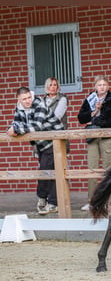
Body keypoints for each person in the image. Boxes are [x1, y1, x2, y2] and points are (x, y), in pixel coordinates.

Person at [6, 87, 64, 215]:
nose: (27, 101)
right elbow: (15, 123)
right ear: (18, 100)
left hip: (54, 141)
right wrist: (13, 129)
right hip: (41, 144)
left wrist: (16, 130)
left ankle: (52, 202)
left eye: (29, 97)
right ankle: (44, 198)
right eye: (24, 99)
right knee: (45, 171)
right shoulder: (19, 108)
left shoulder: (39, 104)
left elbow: (36, 126)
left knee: (49, 171)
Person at [77, 75, 111, 211]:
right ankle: (92, 201)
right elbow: (81, 118)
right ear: (95, 86)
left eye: (104, 85)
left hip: (107, 136)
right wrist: (94, 111)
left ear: (108, 86)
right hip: (92, 136)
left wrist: (93, 121)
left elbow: (109, 120)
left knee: (107, 169)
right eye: (99, 85)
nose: (102, 87)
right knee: (92, 168)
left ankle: (106, 202)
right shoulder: (90, 99)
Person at [42, 77, 69, 154]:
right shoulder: (42, 100)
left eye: (55, 85)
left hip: (58, 135)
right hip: (44, 139)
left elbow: (56, 118)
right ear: (47, 87)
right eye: (50, 85)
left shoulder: (62, 99)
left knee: (61, 162)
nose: (53, 87)